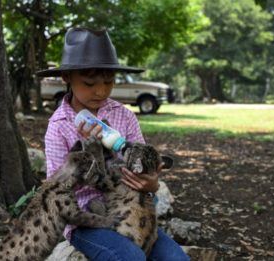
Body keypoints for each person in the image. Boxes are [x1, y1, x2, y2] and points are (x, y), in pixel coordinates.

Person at [37, 28, 189, 261]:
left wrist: (151, 183)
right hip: (85, 220)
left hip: (131, 214)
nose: (100, 91)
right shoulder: (59, 126)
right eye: (89, 83)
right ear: (66, 78)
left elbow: (142, 162)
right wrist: (90, 154)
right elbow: (57, 191)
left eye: (109, 82)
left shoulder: (124, 116)